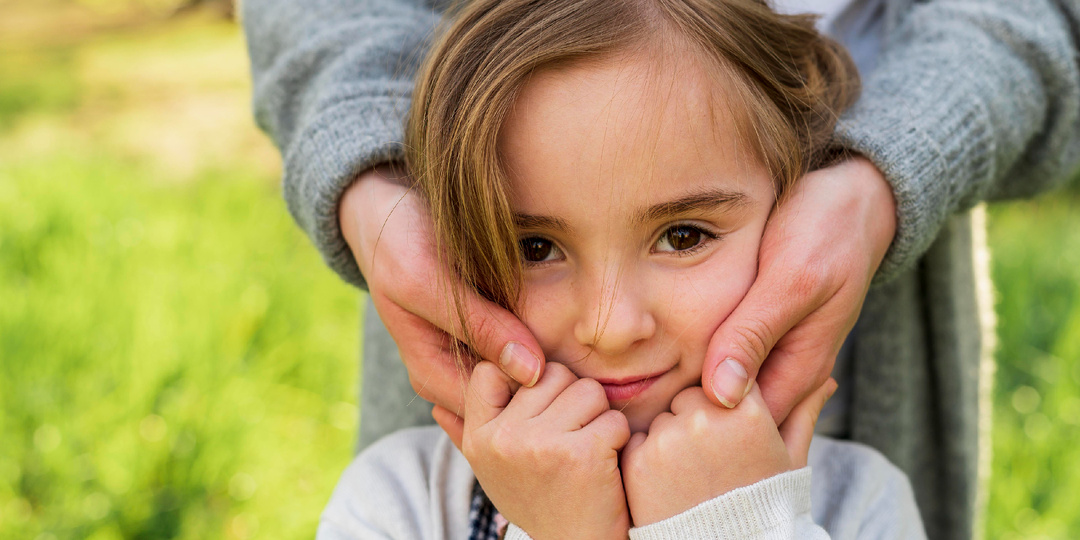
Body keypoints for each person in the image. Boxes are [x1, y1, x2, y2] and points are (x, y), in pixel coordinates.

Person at [242, 0, 1080, 537]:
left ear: (796, 203)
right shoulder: (393, 504)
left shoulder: (864, 507)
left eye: (684, 235)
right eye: (535, 246)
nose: (611, 326)